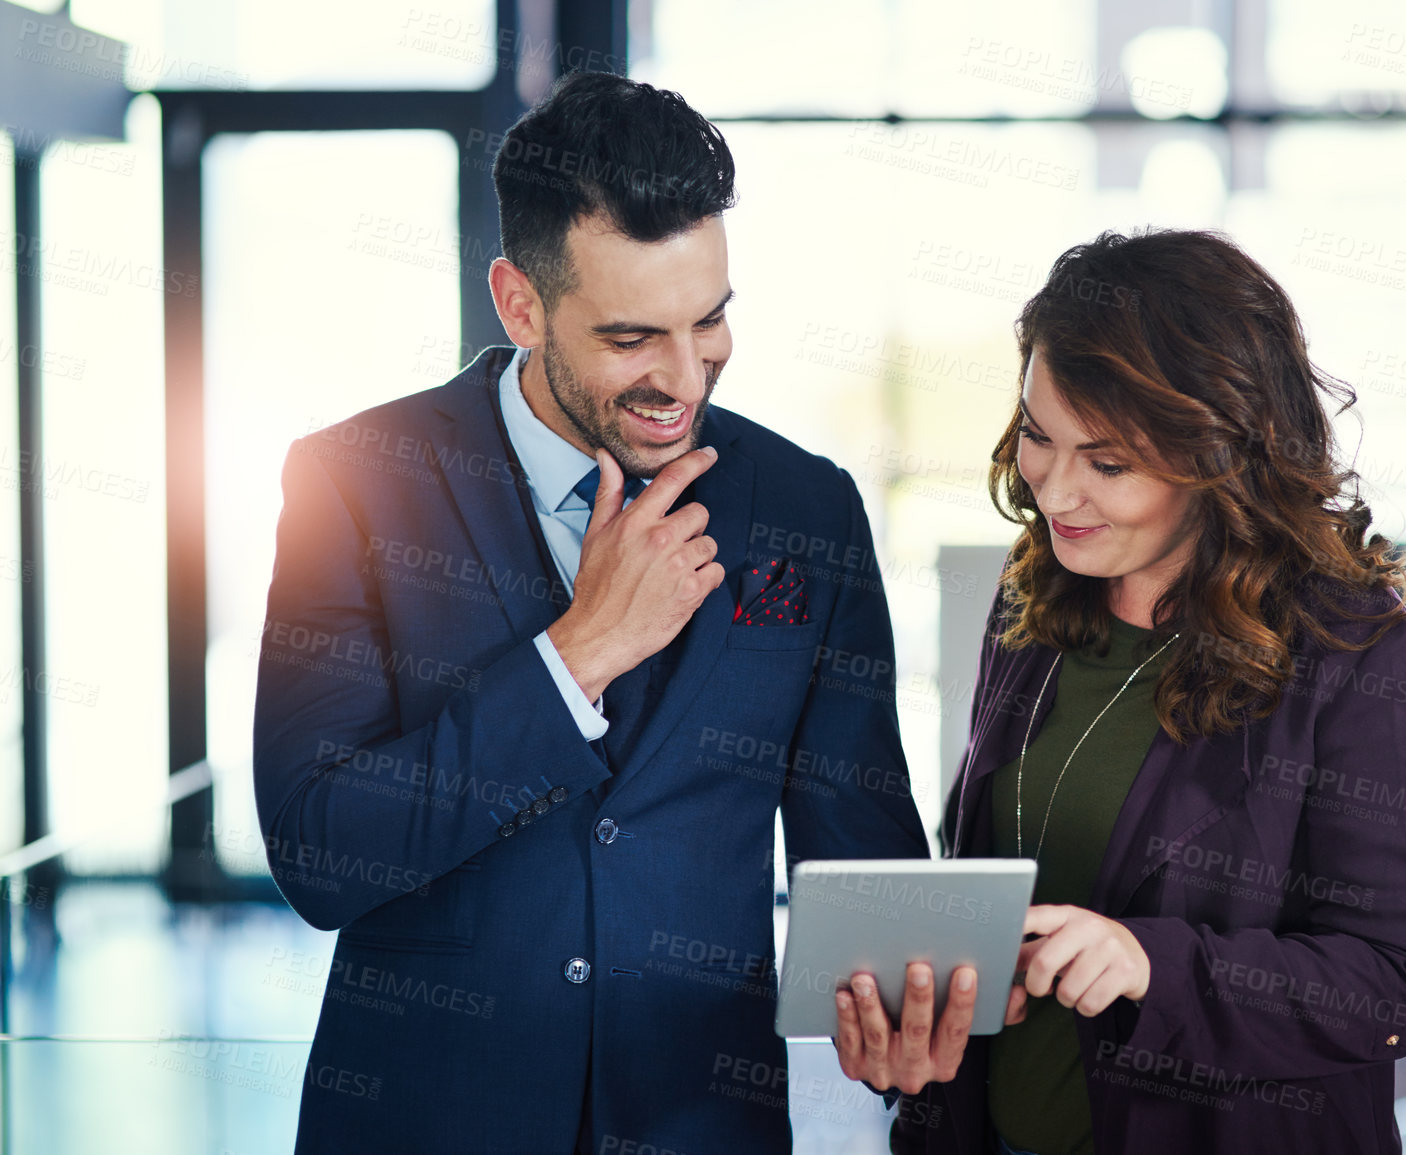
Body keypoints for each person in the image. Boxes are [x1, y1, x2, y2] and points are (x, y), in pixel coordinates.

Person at [252, 70, 927, 1154]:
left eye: (708, 321)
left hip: (703, 1124)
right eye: (629, 339)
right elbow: (319, 853)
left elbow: (864, 857)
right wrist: (576, 658)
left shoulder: (809, 507)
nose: (683, 376)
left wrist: (909, 1043)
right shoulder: (354, 482)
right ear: (521, 303)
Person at [835, 229, 1406, 1154]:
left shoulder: (1357, 653)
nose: (1054, 491)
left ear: (1220, 457)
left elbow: (1389, 986)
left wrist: (1148, 962)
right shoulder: (1034, 606)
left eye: (1109, 464)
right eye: (1039, 438)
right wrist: (922, 1008)